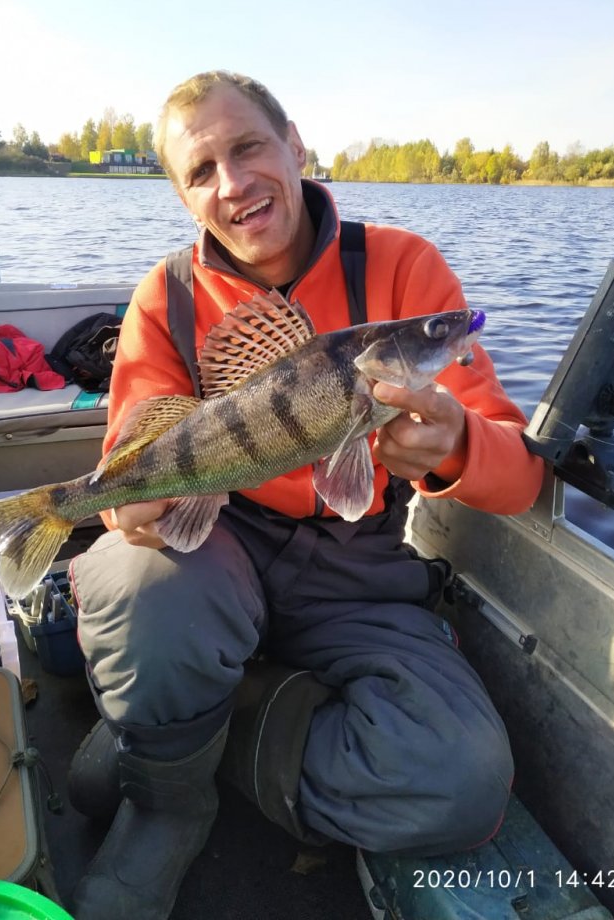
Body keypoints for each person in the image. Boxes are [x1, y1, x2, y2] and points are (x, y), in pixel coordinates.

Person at [66, 70, 544, 920]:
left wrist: (457, 444)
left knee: (463, 784)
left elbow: (520, 473)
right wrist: (122, 508)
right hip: (219, 544)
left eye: (249, 147)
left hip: (357, 570)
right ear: (182, 196)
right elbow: (127, 467)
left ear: (294, 144)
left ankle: (193, 735)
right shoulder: (166, 298)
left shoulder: (403, 268)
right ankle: (168, 806)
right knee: (136, 583)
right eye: (201, 171)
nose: (233, 183)